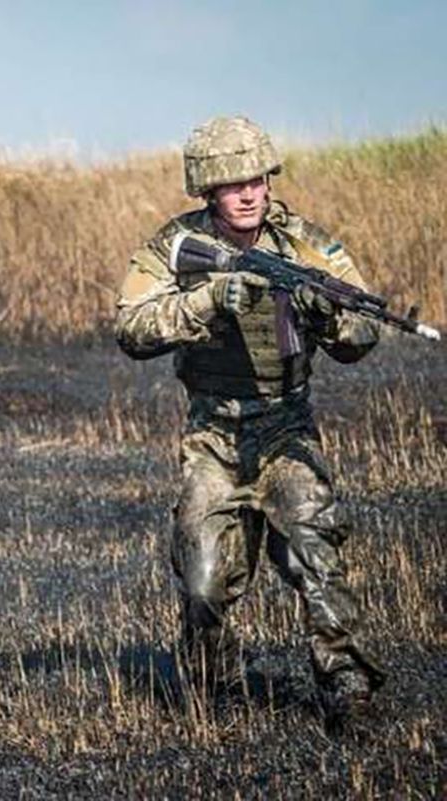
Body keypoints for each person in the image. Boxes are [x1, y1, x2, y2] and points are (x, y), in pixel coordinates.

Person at [114, 116, 386, 726]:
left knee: (314, 554)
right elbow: (130, 328)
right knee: (204, 577)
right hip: (213, 435)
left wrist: (326, 317)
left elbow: (363, 329)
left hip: (285, 427)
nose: (248, 193)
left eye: (257, 180)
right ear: (207, 189)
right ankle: (211, 682)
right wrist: (205, 300)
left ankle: (348, 689)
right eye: (232, 182)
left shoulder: (304, 244)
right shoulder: (174, 246)